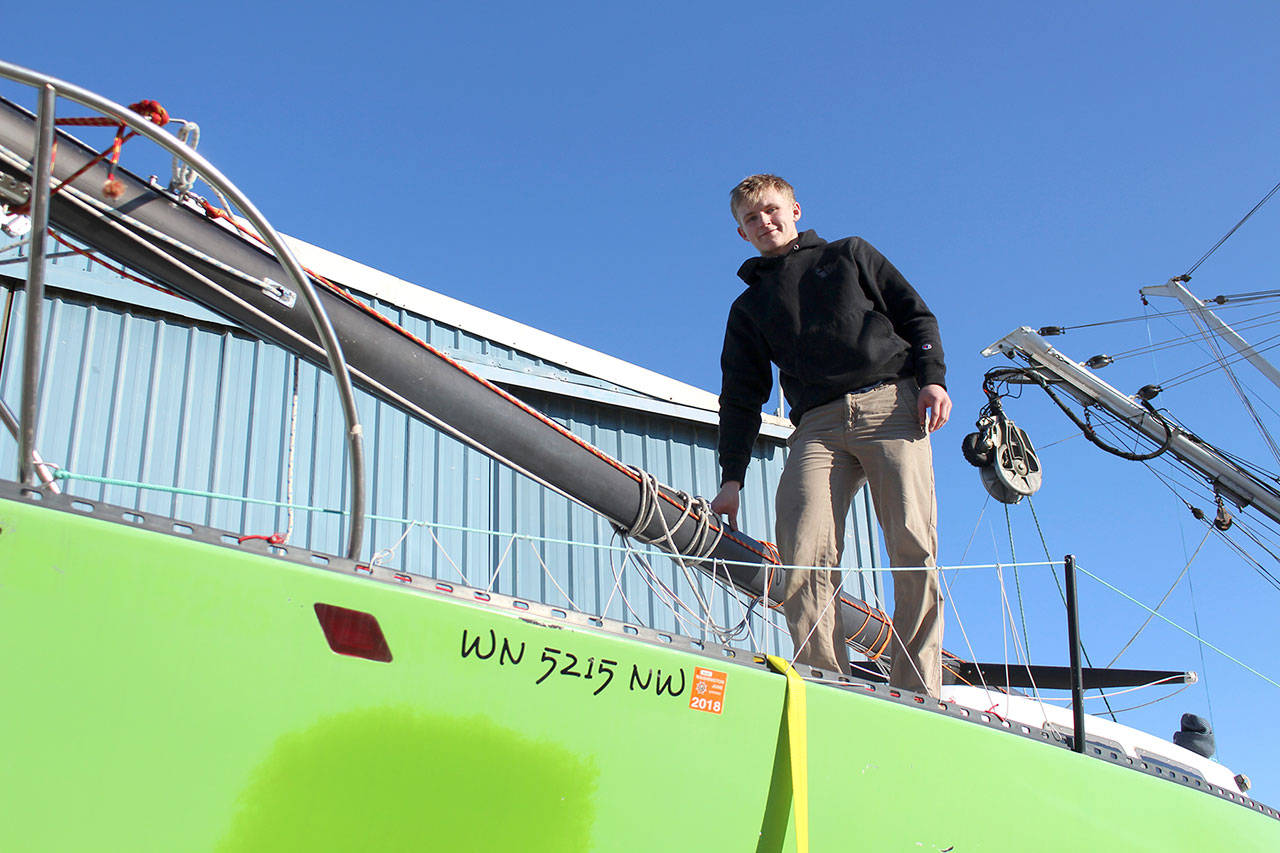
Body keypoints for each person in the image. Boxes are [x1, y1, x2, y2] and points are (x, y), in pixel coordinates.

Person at [709, 174, 950, 697]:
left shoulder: (849, 255)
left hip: (890, 403)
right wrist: (731, 478)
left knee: (912, 543)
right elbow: (741, 394)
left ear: (795, 209)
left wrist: (932, 380)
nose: (764, 222)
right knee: (802, 547)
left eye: (772, 210)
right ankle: (823, 681)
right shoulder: (748, 308)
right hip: (816, 425)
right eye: (752, 219)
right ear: (741, 233)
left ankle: (917, 690)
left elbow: (915, 314)